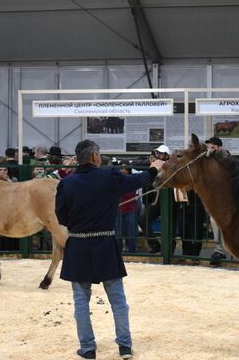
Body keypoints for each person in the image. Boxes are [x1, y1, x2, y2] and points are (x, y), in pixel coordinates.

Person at [56, 139, 164, 360]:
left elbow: (61, 217)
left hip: (78, 245)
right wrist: (155, 168)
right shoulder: (110, 176)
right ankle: (124, 347)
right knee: (118, 300)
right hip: (105, 244)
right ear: (95, 156)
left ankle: (87, 349)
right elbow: (139, 179)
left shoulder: (66, 184)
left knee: (80, 302)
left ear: (78, 158)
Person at [139, 145, 172, 254]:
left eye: (161, 153)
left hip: (169, 200)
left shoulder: (171, 165)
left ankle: (169, 249)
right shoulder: (153, 164)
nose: (158, 155)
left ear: (167, 155)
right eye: (157, 153)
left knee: (169, 224)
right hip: (155, 200)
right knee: (143, 221)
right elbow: (141, 165)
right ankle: (155, 245)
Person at [204, 137, 230, 265]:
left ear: (220, 147)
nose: (210, 150)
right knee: (214, 221)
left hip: (229, 198)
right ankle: (219, 250)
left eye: (213, 148)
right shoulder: (208, 160)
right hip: (215, 198)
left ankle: (229, 249)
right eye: (209, 148)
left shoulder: (226, 157)